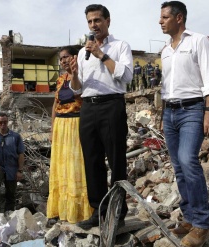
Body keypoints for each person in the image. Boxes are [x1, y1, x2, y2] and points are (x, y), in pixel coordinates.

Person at [159, 2, 209, 246]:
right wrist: (162, 114)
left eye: (164, 17)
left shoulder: (198, 40)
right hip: (169, 112)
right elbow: (166, 85)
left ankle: (202, 225)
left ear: (179, 18)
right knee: (178, 166)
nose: (160, 22)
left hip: (193, 109)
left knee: (188, 160)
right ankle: (190, 217)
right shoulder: (165, 50)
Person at [69, 4, 133, 230]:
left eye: (97, 20)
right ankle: (97, 210)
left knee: (116, 161)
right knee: (92, 160)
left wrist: (101, 54)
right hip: (88, 108)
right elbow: (77, 89)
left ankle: (118, 212)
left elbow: (126, 76)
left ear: (108, 21)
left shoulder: (120, 46)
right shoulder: (81, 52)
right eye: (89, 22)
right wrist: (74, 75)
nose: (93, 25)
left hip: (111, 105)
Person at [46, 46, 93, 224]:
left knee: (75, 166)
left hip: (75, 123)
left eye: (66, 57)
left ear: (75, 57)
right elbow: (55, 105)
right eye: (61, 58)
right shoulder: (59, 79)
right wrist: (52, 129)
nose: (63, 61)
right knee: (60, 165)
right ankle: (59, 209)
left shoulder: (83, 75)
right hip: (60, 125)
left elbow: (80, 94)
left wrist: (75, 73)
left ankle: (79, 211)